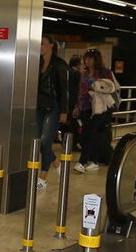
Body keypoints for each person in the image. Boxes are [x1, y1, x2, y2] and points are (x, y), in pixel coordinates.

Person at [73, 49, 117, 172]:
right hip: (85, 107)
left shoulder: (104, 72)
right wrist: (77, 106)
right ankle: (94, 161)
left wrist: (96, 87)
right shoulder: (84, 73)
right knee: (89, 134)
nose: (87, 61)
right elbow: (80, 91)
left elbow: (110, 88)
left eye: (90, 58)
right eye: (86, 58)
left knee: (90, 133)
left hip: (99, 108)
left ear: (96, 59)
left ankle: (82, 162)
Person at [35, 35, 69, 189]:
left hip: (54, 106)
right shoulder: (37, 62)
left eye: (42, 43)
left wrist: (64, 111)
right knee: (38, 141)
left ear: (51, 45)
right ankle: (56, 163)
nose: (40, 46)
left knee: (45, 141)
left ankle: (43, 177)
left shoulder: (59, 64)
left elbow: (64, 89)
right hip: (39, 106)